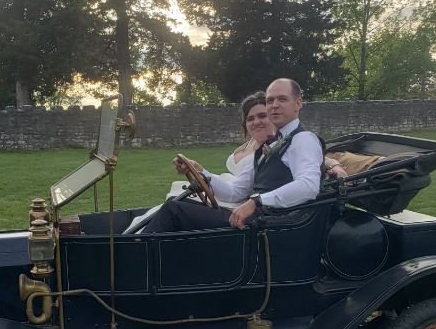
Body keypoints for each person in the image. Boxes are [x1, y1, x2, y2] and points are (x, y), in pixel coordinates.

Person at [141, 78, 324, 234]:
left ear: (298, 103)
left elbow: (309, 186)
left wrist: (256, 202)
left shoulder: (303, 139)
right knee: (176, 203)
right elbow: (236, 192)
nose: (274, 105)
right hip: (258, 221)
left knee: (174, 210)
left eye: (282, 99)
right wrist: (202, 172)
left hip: (271, 225)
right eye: (270, 100)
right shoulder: (270, 145)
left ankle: (134, 256)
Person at [124, 92, 272, 234]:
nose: (256, 122)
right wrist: (197, 169)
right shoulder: (257, 147)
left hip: (247, 215)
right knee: (175, 200)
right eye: (250, 118)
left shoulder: (269, 151)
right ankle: (134, 238)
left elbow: (235, 194)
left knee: (173, 209)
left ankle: (136, 247)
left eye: (262, 116)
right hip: (240, 204)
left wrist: (203, 174)